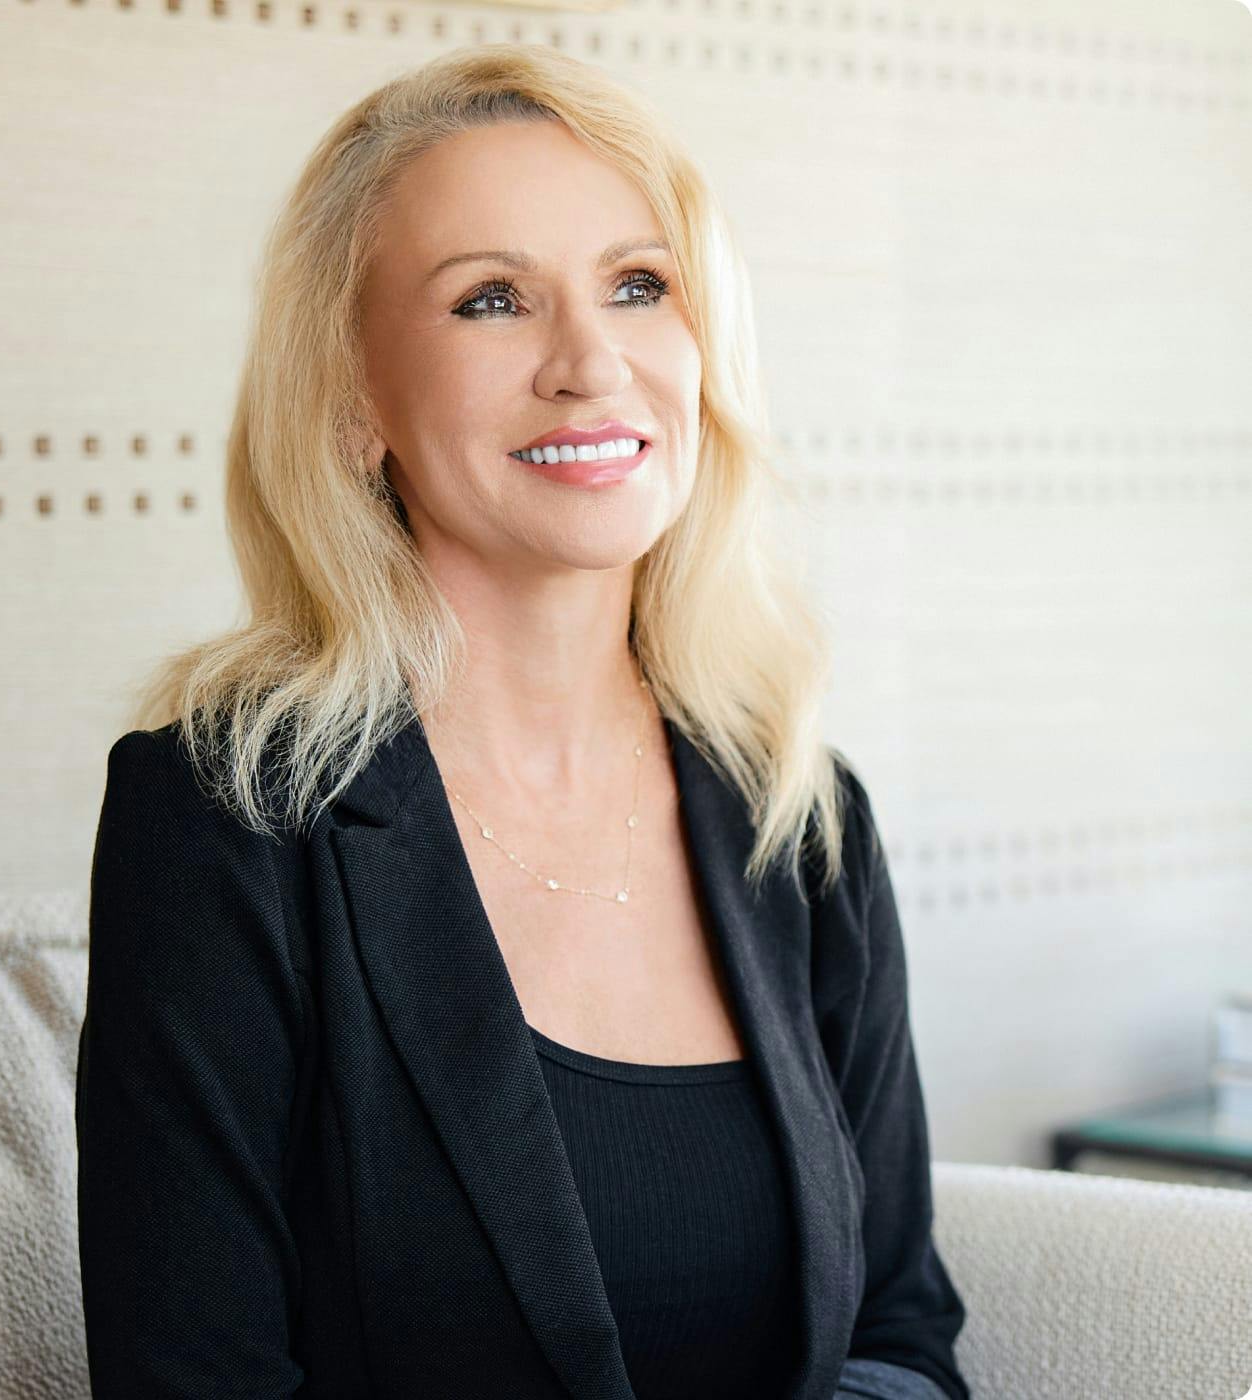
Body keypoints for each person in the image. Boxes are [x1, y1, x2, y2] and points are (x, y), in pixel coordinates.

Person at [74, 42, 970, 1400]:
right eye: (492, 299)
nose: (591, 362)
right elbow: (193, 1376)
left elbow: (899, 1339)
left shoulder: (802, 811)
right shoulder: (221, 816)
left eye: (638, 285)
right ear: (352, 400)